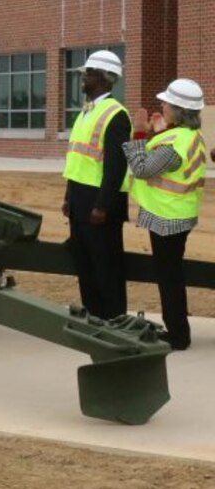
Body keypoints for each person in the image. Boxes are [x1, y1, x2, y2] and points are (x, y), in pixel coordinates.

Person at [123, 78, 207, 351]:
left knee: (169, 277)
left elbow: (143, 169)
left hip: (167, 218)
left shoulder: (174, 145)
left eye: (166, 103)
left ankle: (179, 335)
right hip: (177, 214)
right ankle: (179, 331)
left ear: (178, 110)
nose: (161, 105)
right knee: (171, 274)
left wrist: (137, 133)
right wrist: (158, 132)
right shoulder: (189, 135)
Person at [62, 50, 131, 320]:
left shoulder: (116, 115)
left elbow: (116, 168)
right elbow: (77, 159)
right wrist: (68, 197)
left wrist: (102, 206)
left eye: (87, 74)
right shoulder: (86, 112)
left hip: (100, 207)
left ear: (102, 78)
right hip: (80, 201)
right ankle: (94, 317)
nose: (82, 78)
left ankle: (114, 320)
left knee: (107, 267)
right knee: (85, 266)